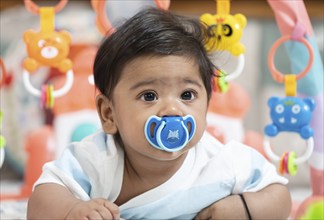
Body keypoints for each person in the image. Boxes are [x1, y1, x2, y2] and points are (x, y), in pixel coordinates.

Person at [27, 8, 291, 220]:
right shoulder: (96, 160)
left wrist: (243, 209)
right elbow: (41, 200)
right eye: (149, 96)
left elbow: (279, 195)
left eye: (187, 95)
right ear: (109, 114)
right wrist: (71, 210)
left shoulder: (223, 163)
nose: (172, 110)